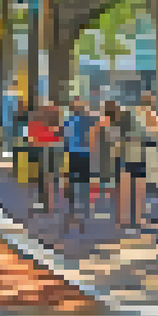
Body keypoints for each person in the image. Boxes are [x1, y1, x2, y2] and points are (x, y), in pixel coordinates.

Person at [117, 95, 152, 229]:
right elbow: (150, 135)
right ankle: (136, 218)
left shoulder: (130, 114)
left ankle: (126, 218)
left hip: (129, 154)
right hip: (138, 154)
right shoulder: (145, 116)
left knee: (128, 188)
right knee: (138, 188)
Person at [62, 99, 94, 232]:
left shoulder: (71, 121)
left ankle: (75, 213)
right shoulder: (87, 121)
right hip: (81, 155)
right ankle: (81, 213)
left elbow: (65, 139)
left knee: (76, 184)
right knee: (81, 184)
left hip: (76, 155)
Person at [92, 100, 124, 223]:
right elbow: (116, 143)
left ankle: (98, 209)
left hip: (101, 156)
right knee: (113, 184)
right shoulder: (112, 124)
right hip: (111, 157)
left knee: (99, 182)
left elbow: (93, 139)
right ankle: (113, 211)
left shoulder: (99, 122)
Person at [28, 104, 62, 213]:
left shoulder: (39, 119)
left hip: (44, 148)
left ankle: (45, 203)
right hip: (51, 147)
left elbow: (32, 137)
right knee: (48, 177)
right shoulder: (53, 119)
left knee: (44, 177)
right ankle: (48, 203)